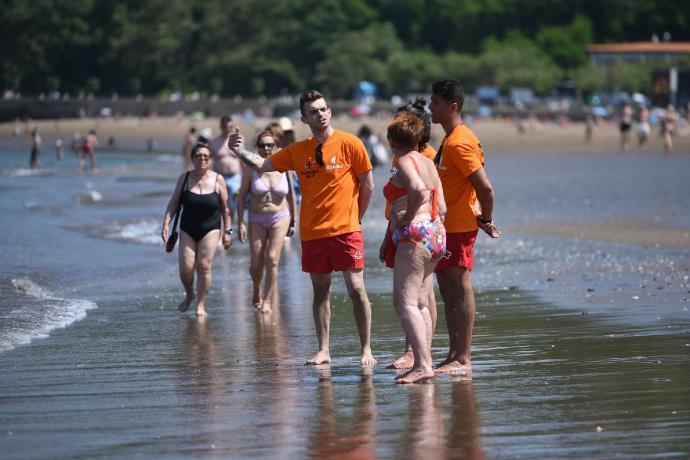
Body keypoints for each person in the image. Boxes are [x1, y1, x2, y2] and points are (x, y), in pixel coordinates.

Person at [228, 90, 376, 366]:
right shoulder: (297, 151)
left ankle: (366, 349)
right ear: (304, 118)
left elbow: (368, 185)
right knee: (320, 290)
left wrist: (357, 217)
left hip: (347, 230)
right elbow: (261, 164)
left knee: (356, 288)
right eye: (313, 111)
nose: (320, 114)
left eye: (323, 109)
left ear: (329, 111)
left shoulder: (350, 143)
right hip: (313, 232)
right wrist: (238, 150)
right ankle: (324, 350)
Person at [429, 79, 501, 378]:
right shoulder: (450, 137)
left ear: (453, 107)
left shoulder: (460, 141)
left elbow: (486, 189)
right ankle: (453, 352)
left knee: (460, 287)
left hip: (460, 226)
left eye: (436, 103)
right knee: (447, 289)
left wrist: (484, 218)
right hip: (447, 225)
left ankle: (464, 356)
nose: (431, 107)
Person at [382, 114, 447, 384]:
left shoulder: (404, 162)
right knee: (420, 303)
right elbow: (442, 207)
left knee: (405, 303)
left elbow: (419, 191)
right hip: (436, 233)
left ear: (392, 141)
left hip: (415, 234)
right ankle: (425, 361)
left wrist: (406, 219)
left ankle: (422, 364)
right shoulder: (427, 162)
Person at [161, 142, 233, 316]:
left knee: (204, 266)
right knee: (186, 268)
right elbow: (174, 203)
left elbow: (225, 208)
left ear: (211, 159)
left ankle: (201, 305)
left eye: (206, 156)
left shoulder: (218, 179)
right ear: (193, 158)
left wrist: (228, 231)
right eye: (198, 156)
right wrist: (166, 223)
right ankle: (189, 293)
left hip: (211, 228)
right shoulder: (184, 178)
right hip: (188, 228)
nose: (202, 159)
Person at [237, 131, 297, 313]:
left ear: (276, 147)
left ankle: (268, 300)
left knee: (272, 258)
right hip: (256, 218)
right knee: (256, 264)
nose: (266, 149)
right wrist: (240, 223)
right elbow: (241, 198)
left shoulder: (284, 168)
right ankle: (256, 289)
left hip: (280, 217)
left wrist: (294, 219)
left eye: (270, 145)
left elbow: (291, 195)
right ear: (258, 148)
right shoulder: (250, 169)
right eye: (262, 145)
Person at [210, 115, 242, 223]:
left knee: (232, 205)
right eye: (225, 127)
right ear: (221, 126)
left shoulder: (239, 140)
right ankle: (220, 230)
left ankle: (230, 231)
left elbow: (243, 159)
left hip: (235, 177)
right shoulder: (214, 141)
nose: (227, 129)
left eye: (230, 127)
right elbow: (208, 160)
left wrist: (247, 177)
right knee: (219, 204)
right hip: (219, 177)